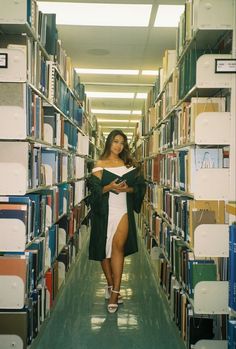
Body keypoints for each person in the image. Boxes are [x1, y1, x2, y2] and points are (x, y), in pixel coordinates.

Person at [87, 129, 146, 313]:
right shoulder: (99, 165)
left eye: (122, 142)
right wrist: (109, 186)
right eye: (115, 141)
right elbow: (94, 192)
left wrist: (127, 189)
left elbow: (139, 187)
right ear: (108, 142)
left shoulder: (129, 165)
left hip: (122, 211)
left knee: (117, 246)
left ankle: (115, 293)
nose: (119, 146)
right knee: (104, 251)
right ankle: (112, 285)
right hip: (104, 213)